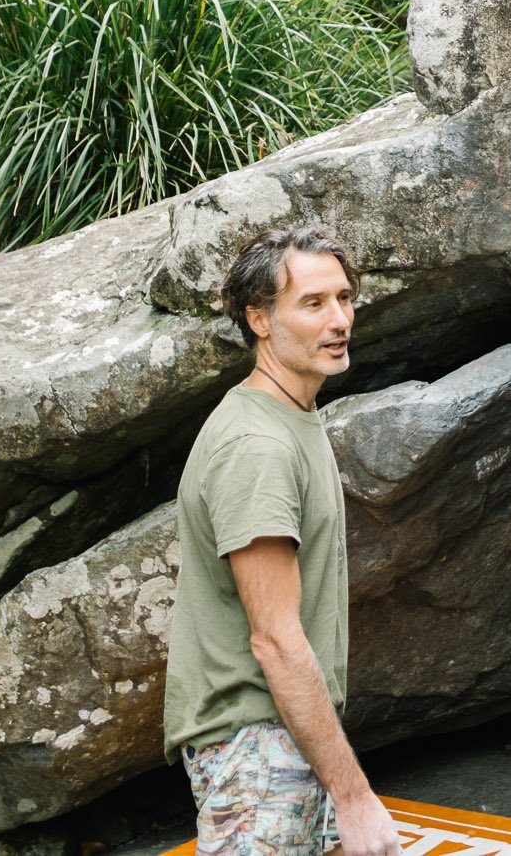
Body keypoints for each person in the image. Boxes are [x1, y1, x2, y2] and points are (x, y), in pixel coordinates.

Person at [164, 227, 403, 856]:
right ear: (259, 320)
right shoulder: (258, 448)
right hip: (255, 748)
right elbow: (274, 637)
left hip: (290, 733)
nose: (340, 320)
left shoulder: (290, 415)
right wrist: (354, 797)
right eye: (314, 304)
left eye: (345, 298)